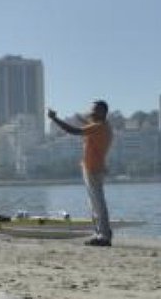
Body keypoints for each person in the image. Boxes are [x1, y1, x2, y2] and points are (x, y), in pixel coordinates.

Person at [47, 100, 114, 246]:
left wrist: (54, 119)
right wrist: (81, 120)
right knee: (94, 203)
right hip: (93, 168)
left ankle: (104, 235)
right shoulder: (103, 126)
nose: (91, 113)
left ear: (102, 112)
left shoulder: (98, 127)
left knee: (98, 203)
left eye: (94, 111)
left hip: (94, 169)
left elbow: (74, 131)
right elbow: (88, 126)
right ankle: (101, 233)